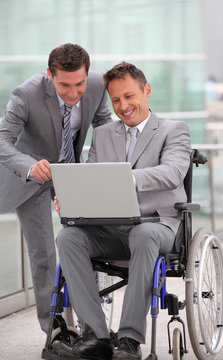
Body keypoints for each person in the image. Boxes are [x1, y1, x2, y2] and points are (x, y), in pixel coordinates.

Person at [52, 62, 191, 360]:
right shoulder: (103, 135)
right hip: (112, 228)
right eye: (116, 100)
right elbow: (91, 178)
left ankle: (129, 340)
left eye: (129, 96)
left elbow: (173, 172)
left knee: (143, 234)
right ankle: (96, 336)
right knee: (69, 237)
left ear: (146, 90)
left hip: (157, 226)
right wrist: (71, 197)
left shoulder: (173, 130)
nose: (123, 106)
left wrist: (127, 178)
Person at [0, 43, 112, 333]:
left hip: (72, 173)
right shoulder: (26, 94)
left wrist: (95, 171)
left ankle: (93, 329)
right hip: (32, 177)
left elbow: (104, 128)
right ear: (50, 75)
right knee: (44, 255)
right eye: (65, 85)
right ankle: (55, 329)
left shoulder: (98, 85)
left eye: (80, 84)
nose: (74, 94)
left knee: (85, 247)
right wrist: (29, 165)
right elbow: (2, 140)